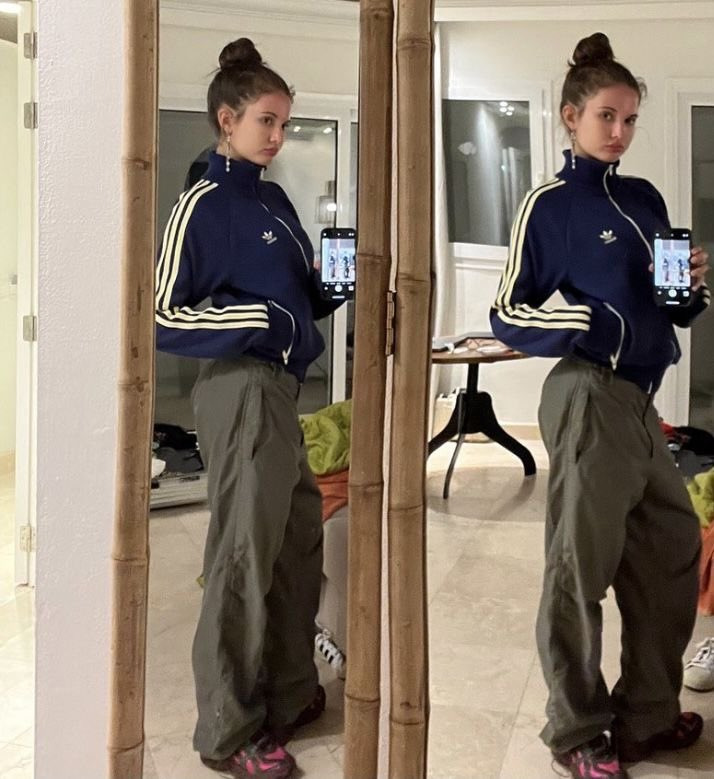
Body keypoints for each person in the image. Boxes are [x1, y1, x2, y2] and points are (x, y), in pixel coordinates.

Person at [490, 32, 711, 779]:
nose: (619, 131)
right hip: (587, 394)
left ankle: (647, 712)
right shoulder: (550, 205)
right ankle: (575, 731)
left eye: (629, 119)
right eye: (606, 116)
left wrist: (688, 290)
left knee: (671, 548)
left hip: (639, 403)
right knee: (577, 570)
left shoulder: (643, 199)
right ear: (571, 117)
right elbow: (508, 310)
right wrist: (586, 320)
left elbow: (670, 310)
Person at [155, 38, 342, 779]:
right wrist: (259, 319)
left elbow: (293, 300)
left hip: (280, 391)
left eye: (284, 123)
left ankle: (288, 691)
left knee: (296, 538)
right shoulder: (201, 204)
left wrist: (324, 291)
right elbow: (166, 314)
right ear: (226, 120)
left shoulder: (273, 200)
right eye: (266, 120)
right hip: (239, 389)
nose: (277, 136)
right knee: (241, 553)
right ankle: (227, 729)